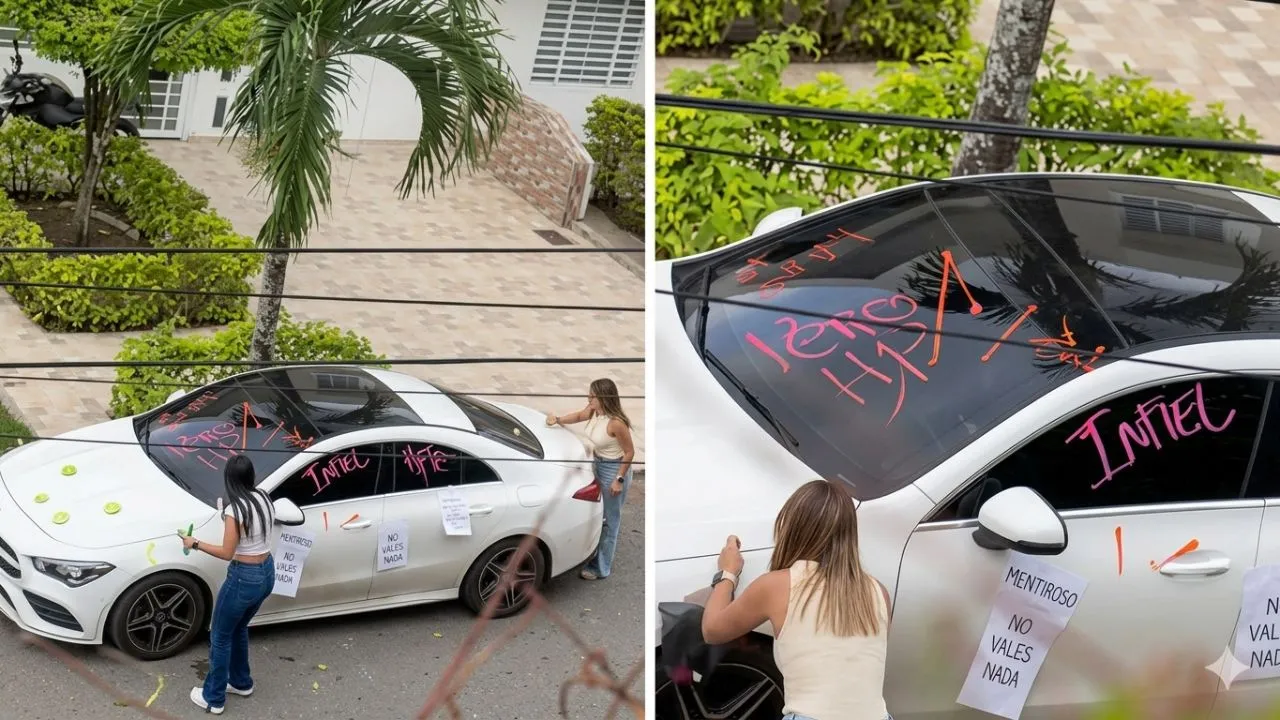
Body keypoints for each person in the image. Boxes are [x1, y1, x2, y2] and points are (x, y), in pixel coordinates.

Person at [699, 479, 893, 720]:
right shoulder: (879, 593)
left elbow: (712, 630)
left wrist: (727, 573)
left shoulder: (777, 585)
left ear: (792, 528)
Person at [180, 455, 278, 715]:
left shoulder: (235, 510)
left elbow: (226, 552)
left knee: (220, 636)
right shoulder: (264, 497)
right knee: (239, 628)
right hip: (267, 572)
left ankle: (213, 697)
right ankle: (241, 682)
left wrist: (195, 543)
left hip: (243, 577)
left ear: (229, 479)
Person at [546, 378, 635, 580]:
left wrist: (618, 480)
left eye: (593, 396)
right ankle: (590, 550)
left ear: (603, 398)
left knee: (610, 519)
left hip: (614, 468)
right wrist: (558, 420)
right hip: (597, 462)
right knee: (595, 510)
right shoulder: (595, 410)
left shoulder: (616, 424)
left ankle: (601, 567)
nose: (589, 398)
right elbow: (579, 415)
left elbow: (629, 453)